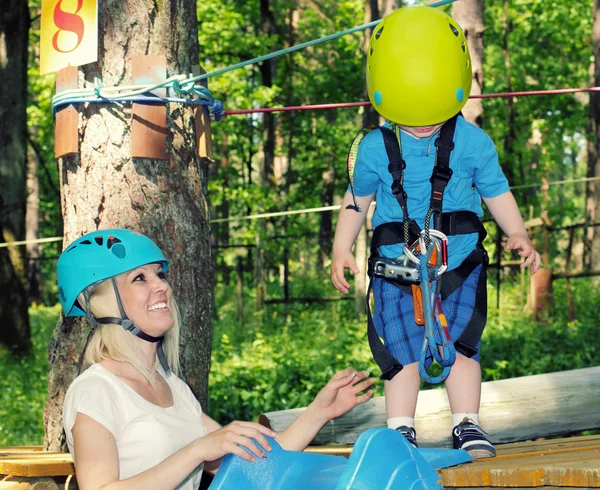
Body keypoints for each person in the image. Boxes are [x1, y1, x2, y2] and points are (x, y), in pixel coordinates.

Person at [331, 6, 541, 459]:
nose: (422, 124)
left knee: (464, 346)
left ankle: (467, 424)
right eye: (411, 116)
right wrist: (340, 249)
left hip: (459, 264)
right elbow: (356, 201)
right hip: (396, 269)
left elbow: (497, 191)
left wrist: (518, 233)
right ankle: (400, 431)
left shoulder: (472, 141)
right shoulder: (373, 147)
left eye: (429, 113)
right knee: (403, 353)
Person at [58, 228, 374, 490]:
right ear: (102, 304)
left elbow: (257, 465)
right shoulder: (96, 391)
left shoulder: (173, 388)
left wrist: (319, 412)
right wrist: (197, 450)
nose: (162, 287)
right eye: (140, 278)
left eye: (160, 275)